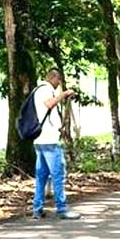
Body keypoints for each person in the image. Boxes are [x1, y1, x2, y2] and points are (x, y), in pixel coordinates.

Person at [32, 69, 81, 220]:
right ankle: (61, 209)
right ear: (53, 78)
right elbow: (49, 104)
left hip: (41, 140)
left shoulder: (38, 90)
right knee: (58, 175)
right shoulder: (45, 89)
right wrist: (63, 95)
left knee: (42, 176)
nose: (59, 83)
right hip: (49, 141)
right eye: (58, 80)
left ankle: (38, 208)